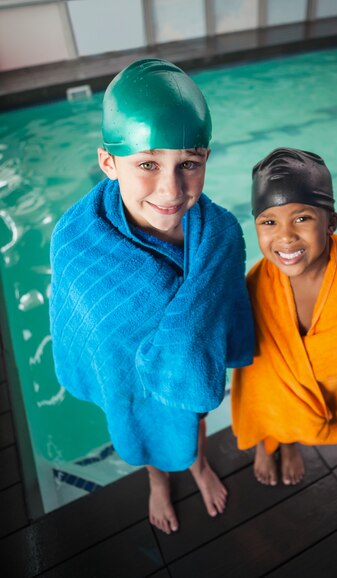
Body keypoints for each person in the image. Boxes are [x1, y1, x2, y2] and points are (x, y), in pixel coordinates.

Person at [50, 58, 254, 535]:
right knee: (136, 419)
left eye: (189, 164)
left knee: (194, 412)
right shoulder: (76, 240)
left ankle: (198, 465)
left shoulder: (220, 235)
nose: (171, 189)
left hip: (189, 375)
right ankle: (157, 480)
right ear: (108, 162)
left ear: (206, 157)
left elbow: (222, 315)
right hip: (127, 385)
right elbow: (83, 330)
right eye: (147, 164)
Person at [231, 147, 337, 487]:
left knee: (290, 400)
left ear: (331, 222)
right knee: (265, 388)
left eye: (302, 218)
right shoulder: (256, 286)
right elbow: (259, 373)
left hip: (317, 403)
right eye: (269, 222)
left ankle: (290, 442)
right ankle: (268, 440)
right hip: (275, 399)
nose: (285, 236)